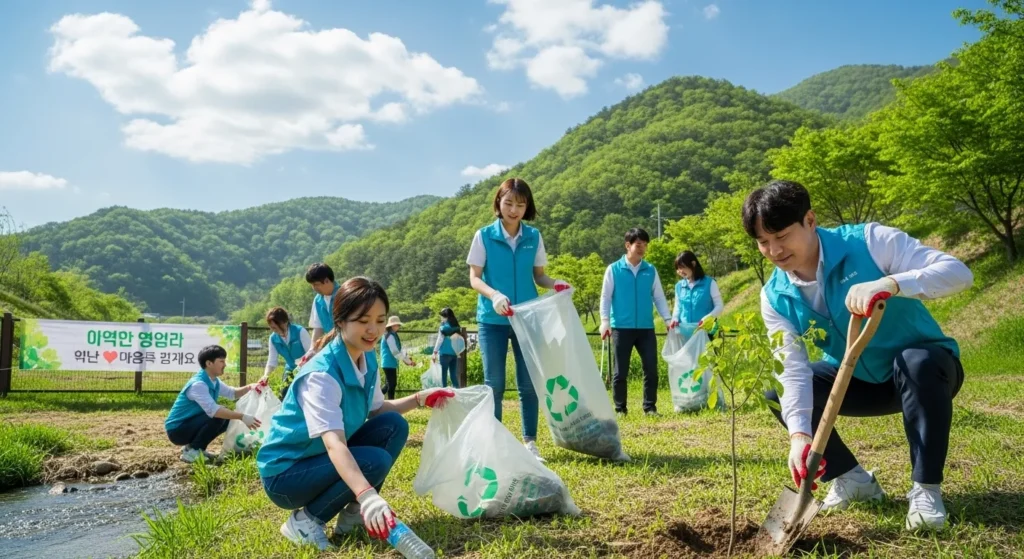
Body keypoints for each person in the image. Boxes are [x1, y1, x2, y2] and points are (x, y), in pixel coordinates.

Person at [744, 179, 972, 531]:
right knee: (779, 395)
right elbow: (791, 367)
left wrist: (892, 284)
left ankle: (926, 490)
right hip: (858, 382)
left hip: (925, 373)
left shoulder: (869, 242)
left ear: (810, 220)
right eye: (763, 242)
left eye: (781, 236)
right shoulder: (774, 295)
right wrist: (799, 436)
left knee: (916, 361)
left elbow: (958, 273)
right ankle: (854, 481)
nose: (774, 251)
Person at [257, 277, 454, 551]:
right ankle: (306, 521)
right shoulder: (322, 375)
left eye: (380, 320)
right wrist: (367, 494)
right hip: (286, 473)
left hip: (315, 457)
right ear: (340, 321)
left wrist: (420, 399)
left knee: (393, 425)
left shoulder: (366, 356)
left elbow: (378, 409)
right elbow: (334, 443)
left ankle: (353, 516)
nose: (373, 329)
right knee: (372, 461)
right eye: (363, 321)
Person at [467, 177, 570, 463]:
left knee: (528, 383)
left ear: (527, 207)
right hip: (492, 318)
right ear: (498, 203)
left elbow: (539, 276)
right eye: (509, 202)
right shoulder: (484, 235)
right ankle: (496, 443)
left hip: (527, 318)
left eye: (520, 204)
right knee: (495, 383)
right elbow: (474, 277)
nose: (514, 209)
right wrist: (494, 295)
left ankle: (530, 444)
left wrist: (555, 283)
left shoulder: (533, 237)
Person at [600, 227, 677, 416]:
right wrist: (604, 321)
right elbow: (605, 297)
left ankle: (649, 407)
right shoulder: (614, 269)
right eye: (638, 244)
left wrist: (667, 319)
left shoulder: (650, 270)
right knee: (620, 372)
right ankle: (620, 409)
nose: (642, 248)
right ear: (628, 245)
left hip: (645, 328)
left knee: (651, 369)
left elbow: (658, 297)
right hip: (621, 328)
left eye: (645, 244)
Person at [165, 345, 262, 463]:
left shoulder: (213, 380)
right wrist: (242, 417)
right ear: (209, 363)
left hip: (189, 425)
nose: (225, 364)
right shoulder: (198, 384)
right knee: (219, 416)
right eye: (221, 361)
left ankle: (195, 448)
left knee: (227, 419)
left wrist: (250, 387)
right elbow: (214, 411)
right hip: (177, 430)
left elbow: (231, 393)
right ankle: (193, 451)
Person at [262, 306, 312, 399]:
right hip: (290, 370)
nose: (273, 330)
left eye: (275, 327)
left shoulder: (300, 331)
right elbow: (272, 361)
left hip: (307, 368)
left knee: (306, 396)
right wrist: (266, 376)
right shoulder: (273, 338)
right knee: (285, 393)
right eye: (271, 328)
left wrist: (302, 364)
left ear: (284, 322)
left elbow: (311, 353)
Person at [672, 251, 724, 338]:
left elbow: (719, 306)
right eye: (678, 268)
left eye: (682, 267)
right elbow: (678, 307)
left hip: (706, 331)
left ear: (693, 264)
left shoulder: (710, 283)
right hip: (684, 333)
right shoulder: (679, 286)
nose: (680, 271)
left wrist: (707, 319)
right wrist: (675, 319)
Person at [303, 262, 339, 362]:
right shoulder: (318, 300)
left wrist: (322, 343)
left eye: (316, 284)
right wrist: (312, 349)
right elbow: (318, 328)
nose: (314, 288)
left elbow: (343, 327)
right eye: (312, 285)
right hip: (331, 349)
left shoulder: (344, 295)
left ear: (327, 280)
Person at [380, 315, 416, 400]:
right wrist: (408, 361)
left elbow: (400, 349)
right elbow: (395, 352)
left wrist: (407, 358)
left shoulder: (393, 334)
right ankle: (387, 402)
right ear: (392, 326)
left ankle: (376, 400)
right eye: (397, 325)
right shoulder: (390, 336)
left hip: (390, 363)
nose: (398, 326)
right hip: (388, 362)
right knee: (391, 384)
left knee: (389, 384)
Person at [431, 307, 462, 388]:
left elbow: (439, 340)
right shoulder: (457, 327)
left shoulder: (443, 328)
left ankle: (443, 393)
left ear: (446, 317)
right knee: (453, 375)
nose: (441, 318)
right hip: (454, 354)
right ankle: (457, 391)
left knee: (443, 376)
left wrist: (434, 352)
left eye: (442, 316)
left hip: (444, 354)